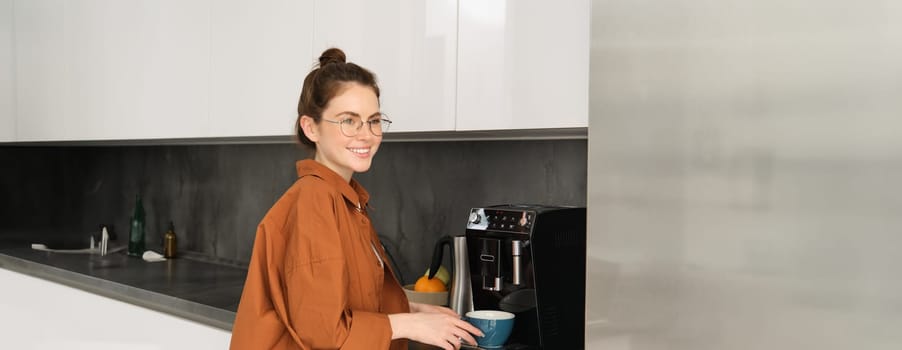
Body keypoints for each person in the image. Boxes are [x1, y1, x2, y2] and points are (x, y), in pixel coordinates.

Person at [230, 48, 482, 350]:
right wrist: (409, 324)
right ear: (311, 127)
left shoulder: (345, 200)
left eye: (373, 120)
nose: (366, 134)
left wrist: (413, 310)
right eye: (349, 121)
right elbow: (324, 332)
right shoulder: (315, 201)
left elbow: (350, 302)